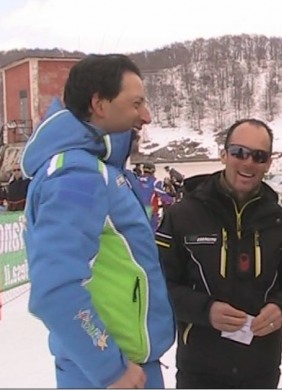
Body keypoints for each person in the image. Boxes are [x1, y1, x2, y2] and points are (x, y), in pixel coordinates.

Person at [21, 54, 175, 388]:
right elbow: (55, 289)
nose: (146, 116)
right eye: (135, 103)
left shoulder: (99, 168)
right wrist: (109, 367)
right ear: (99, 104)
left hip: (124, 366)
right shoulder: (76, 175)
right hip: (109, 373)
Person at [156, 118, 282, 389]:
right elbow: (159, 285)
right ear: (224, 154)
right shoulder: (182, 216)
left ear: (268, 163)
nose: (248, 163)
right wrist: (205, 310)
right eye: (239, 152)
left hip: (260, 371)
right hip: (199, 371)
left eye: (259, 156)